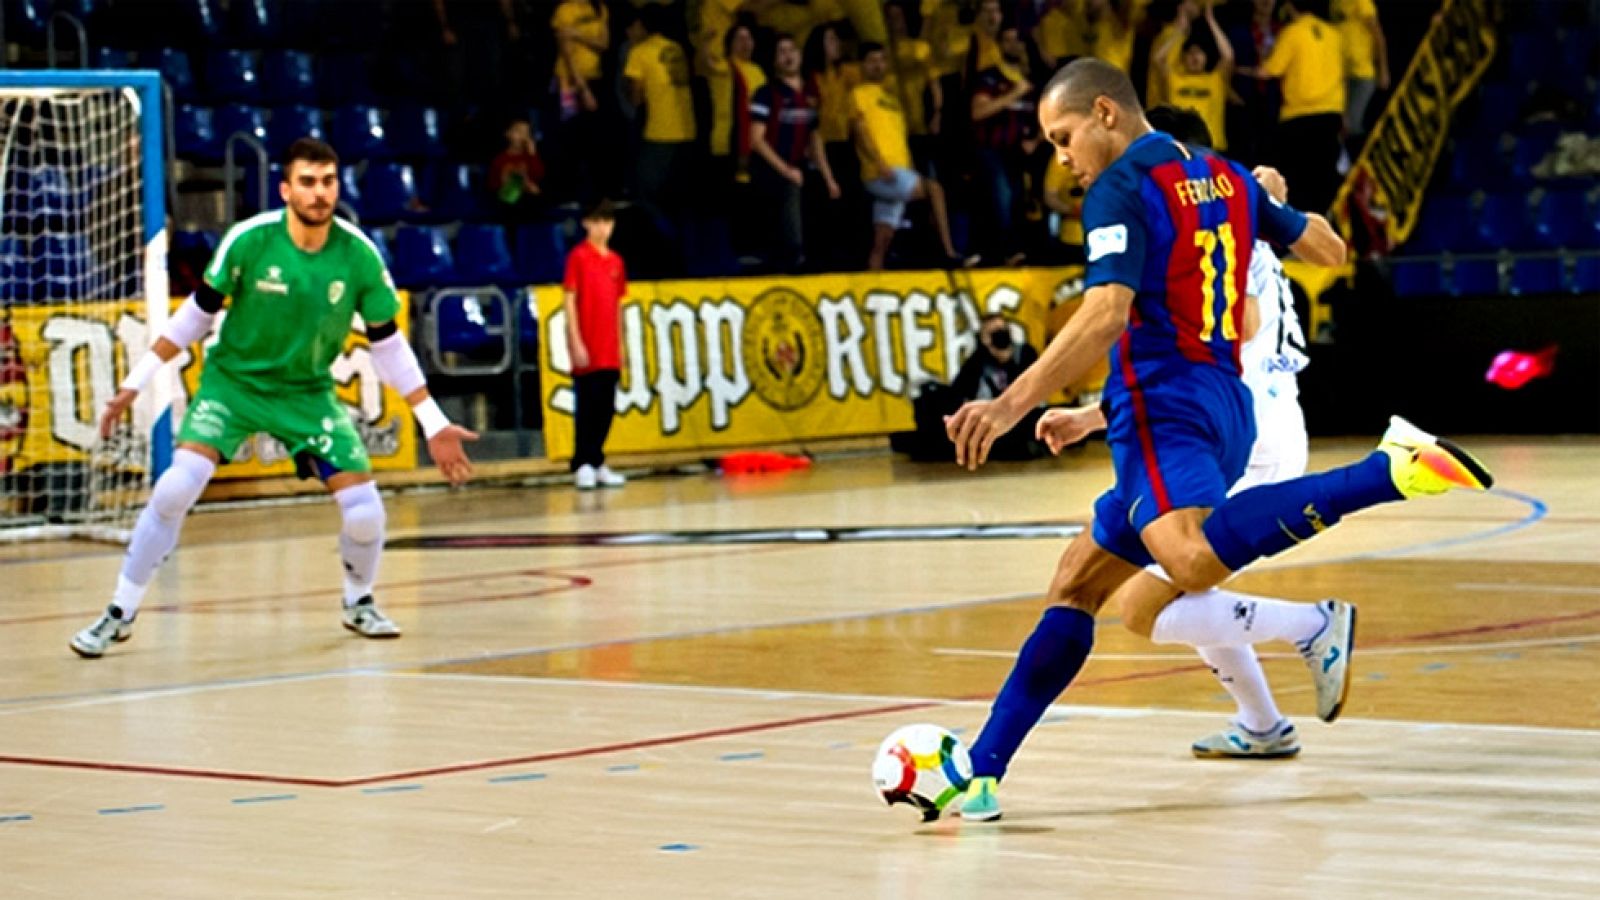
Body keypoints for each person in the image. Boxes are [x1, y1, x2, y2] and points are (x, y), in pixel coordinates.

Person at [943, 59, 1493, 820]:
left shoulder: (1119, 188)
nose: (1061, 159)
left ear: (1105, 113)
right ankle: (980, 770)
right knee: (1077, 582)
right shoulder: (1225, 175)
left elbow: (1106, 311)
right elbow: (1330, 250)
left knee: (1189, 558)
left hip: (1164, 405)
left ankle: (1386, 471)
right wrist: (1273, 209)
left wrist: (1006, 403)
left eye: (1062, 137)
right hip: (1226, 405)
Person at [71, 139, 478, 658]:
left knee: (365, 514)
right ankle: (118, 613)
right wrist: (138, 378)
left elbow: (389, 345)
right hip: (233, 385)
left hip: (307, 393)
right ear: (286, 190)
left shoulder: (358, 256)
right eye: (307, 182)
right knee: (176, 487)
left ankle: (359, 601)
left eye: (328, 181)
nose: (319, 192)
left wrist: (432, 420)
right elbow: (196, 315)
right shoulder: (249, 240)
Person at [1038, 104, 1311, 757]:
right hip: (1242, 417)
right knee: (1184, 583)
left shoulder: (1210, 223)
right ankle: (1263, 725)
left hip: (1245, 433)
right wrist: (1090, 415)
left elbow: (1230, 330)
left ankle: (1316, 627)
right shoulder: (1231, 212)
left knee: (1141, 603)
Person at [850, 42, 964, 270]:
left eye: (881, 60)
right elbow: (860, 131)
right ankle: (948, 252)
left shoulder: (893, 99)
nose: (878, 65)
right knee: (934, 190)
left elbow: (898, 139)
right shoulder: (859, 93)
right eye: (872, 61)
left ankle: (874, 285)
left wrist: (910, 167)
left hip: (900, 170)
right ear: (862, 65)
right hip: (881, 172)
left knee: (882, 238)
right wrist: (879, 163)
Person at [750, 33, 842, 273]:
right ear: (774, 61)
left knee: (825, 193)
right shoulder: (766, 93)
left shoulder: (810, 95)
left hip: (798, 166)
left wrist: (829, 177)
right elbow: (756, 140)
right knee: (790, 190)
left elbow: (814, 137)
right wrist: (786, 170)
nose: (788, 56)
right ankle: (793, 258)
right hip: (770, 168)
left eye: (792, 50)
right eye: (782, 51)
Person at [1249, 0, 1345, 213]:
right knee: (1325, 175)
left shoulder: (1292, 32)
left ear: (1291, 7)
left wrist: (1238, 70)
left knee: (1300, 179)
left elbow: (1269, 71)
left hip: (1299, 117)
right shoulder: (1334, 34)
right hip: (1331, 114)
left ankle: (1301, 237)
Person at [563, 200, 628, 491]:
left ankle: (598, 458)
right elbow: (569, 301)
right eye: (598, 222)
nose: (603, 228)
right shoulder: (578, 257)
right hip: (588, 343)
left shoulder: (616, 262)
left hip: (609, 345)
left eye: (608, 222)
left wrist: (622, 344)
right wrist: (575, 340)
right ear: (586, 224)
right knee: (587, 404)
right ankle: (583, 462)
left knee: (606, 406)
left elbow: (618, 306)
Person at [623, 6, 697, 255]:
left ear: (642, 27)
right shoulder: (676, 48)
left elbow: (635, 98)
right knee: (677, 195)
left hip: (660, 130)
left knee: (642, 191)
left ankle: (668, 241)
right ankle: (686, 248)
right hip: (688, 129)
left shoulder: (639, 52)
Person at [970, 20, 1038, 266]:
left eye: (1016, 40)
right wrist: (1013, 94)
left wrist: (1035, 139)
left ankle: (1017, 252)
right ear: (999, 45)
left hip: (1017, 152)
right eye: (1007, 40)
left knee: (1019, 200)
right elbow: (977, 112)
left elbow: (1041, 116)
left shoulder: (1029, 80)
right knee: (1002, 196)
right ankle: (1007, 252)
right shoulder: (990, 77)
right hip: (991, 149)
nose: (1013, 45)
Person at [1154, 0, 1234, 152]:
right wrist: (1180, 31)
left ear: (1206, 57)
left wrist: (1211, 20)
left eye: (1199, 52)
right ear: (1183, 59)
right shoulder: (1174, 79)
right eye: (1190, 53)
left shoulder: (1215, 79)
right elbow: (1158, 59)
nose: (1194, 56)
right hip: (1180, 149)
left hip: (1212, 149)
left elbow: (1228, 56)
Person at [1331, 0, 1389, 146]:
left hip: (1363, 73)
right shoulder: (1334, 4)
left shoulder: (1361, 2)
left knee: (1353, 124)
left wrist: (1383, 70)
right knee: (1340, 123)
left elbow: (1378, 36)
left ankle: (1357, 160)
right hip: (1342, 74)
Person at [487, 118, 547, 224]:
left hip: (530, 201)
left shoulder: (532, 157)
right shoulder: (500, 159)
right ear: (508, 134)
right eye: (518, 131)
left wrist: (532, 154)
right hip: (508, 202)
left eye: (526, 133)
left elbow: (539, 177)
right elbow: (495, 186)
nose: (523, 136)